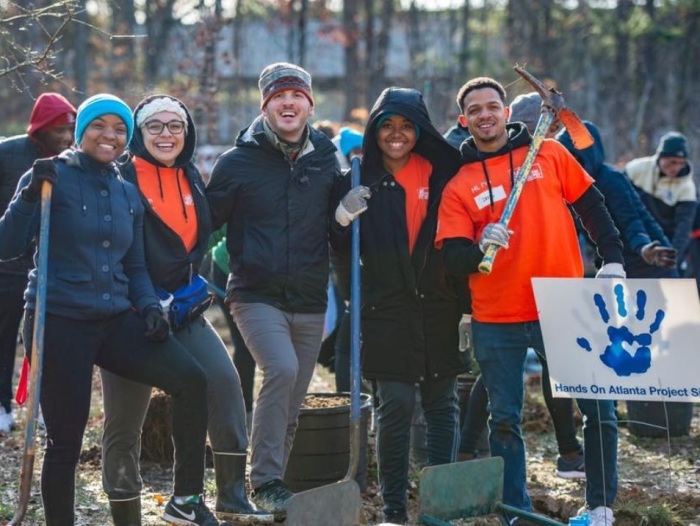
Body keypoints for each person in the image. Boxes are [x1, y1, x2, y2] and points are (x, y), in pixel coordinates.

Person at [0, 93, 219, 525]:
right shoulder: (51, 175)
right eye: (99, 126)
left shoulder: (126, 193)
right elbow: (7, 246)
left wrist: (149, 307)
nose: (110, 135)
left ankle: (187, 500)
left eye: (120, 129)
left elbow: (134, 265)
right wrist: (28, 195)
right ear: (81, 131)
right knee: (65, 439)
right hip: (58, 320)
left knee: (192, 379)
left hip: (116, 318)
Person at [436, 77, 624, 526]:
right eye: (475, 110)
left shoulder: (550, 154)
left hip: (563, 304)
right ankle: (516, 513)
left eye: (492, 106)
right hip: (497, 316)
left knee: (598, 406)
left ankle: (599, 507)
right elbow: (453, 257)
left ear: (505, 111)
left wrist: (612, 257)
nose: (485, 114)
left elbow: (592, 206)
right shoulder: (459, 184)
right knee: (504, 420)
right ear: (465, 122)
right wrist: (481, 244)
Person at [99, 95, 272, 525]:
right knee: (125, 422)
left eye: (175, 126)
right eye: (154, 126)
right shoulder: (120, 176)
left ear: (187, 133)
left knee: (225, 384)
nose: (165, 134)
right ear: (139, 134)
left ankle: (228, 495)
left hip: (182, 310)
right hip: (128, 316)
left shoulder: (191, 175)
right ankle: (126, 514)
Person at [205, 62, 351, 520]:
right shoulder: (237, 162)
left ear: (310, 104)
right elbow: (205, 225)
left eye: (297, 95)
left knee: (292, 400)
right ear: (264, 105)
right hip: (254, 293)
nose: (288, 103)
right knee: (281, 370)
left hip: (309, 295)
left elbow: (339, 235)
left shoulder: (327, 158)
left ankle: (275, 489)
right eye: (278, 96)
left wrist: (344, 218)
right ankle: (263, 478)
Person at [335, 87, 467, 525]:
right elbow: (336, 246)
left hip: (437, 304)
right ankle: (394, 508)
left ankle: (440, 505)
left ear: (420, 129)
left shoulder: (444, 171)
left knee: (442, 403)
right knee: (393, 405)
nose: (397, 134)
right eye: (387, 125)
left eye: (407, 125)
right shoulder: (358, 178)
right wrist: (340, 218)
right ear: (374, 130)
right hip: (384, 308)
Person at [458, 91, 584, 478]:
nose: (549, 133)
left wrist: (613, 253)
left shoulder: (551, 154)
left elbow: (600, 198)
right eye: (545, 126)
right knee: (497, 381)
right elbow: (455, 239)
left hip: (551, 284)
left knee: (557, 370)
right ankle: (467, 453)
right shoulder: (467, 164)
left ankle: (568, 450)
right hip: (494, 292)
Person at [0, 92, 76, 434]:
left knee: (46, 340)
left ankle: (46, 407)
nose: (66, 136)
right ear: (41, 128)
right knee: (3, 338)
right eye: (59, 129)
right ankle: (2, 406)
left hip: (48, 269)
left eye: (70, 128)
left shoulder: (72, 162)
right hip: (6, 267)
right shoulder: (8, 153)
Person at [558, 120, 678, 279]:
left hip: (649, 259)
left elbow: (631, 221)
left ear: (587, 154)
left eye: (574, 156)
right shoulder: (567, 184)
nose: (570, 162)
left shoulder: (610, 179)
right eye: (565, 157)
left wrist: (643, 247)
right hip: (614, 264)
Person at [624, 131, 696, 274]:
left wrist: (673, 258)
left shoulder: (687, 188)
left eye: (681, 163)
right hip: (636, 236)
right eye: (672, 162)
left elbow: (683, 230)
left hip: (664, 241)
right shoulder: (636, 169)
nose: (676, 168)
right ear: (660, 156)